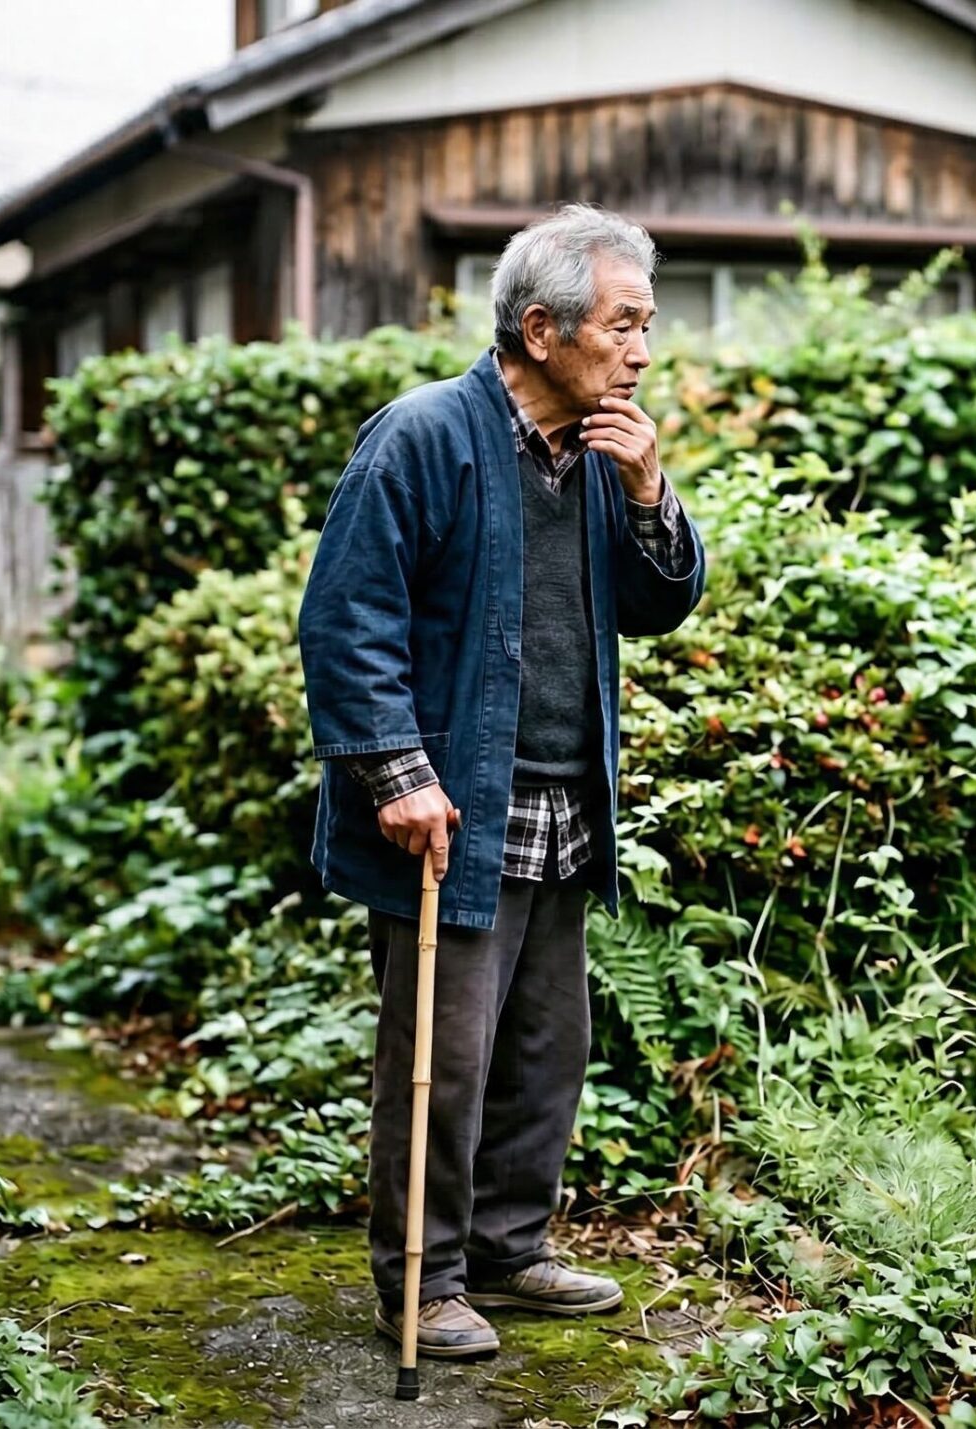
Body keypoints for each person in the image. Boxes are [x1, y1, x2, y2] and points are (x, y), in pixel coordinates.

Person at [298, 204, 706, 1360]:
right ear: (540, 329)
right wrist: (395, 775)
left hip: (567, 802)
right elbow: (345, 619)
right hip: (452, 812)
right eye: (622, 326)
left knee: (544, 1049)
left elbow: (658, 604)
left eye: (646, 326)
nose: (641, 351)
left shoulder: (602, 454)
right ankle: (421, 1282)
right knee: (444, 1060)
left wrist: (648, 495)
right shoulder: (424, 436)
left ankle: (507, 1250)